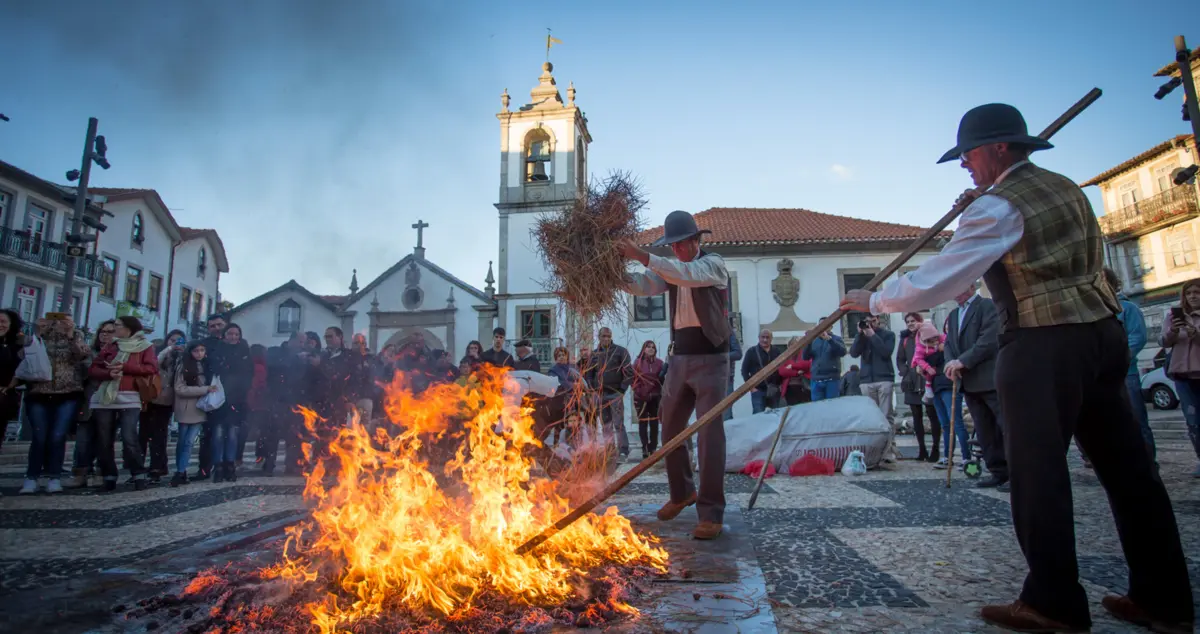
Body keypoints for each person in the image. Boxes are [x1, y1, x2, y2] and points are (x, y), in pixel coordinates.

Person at [840, 103, 1191, 632]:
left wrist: (873, 300)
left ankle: (1053, 602)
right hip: (1101, 333)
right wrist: (976, 207)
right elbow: (1003, 260)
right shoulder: (1064, 187)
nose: (964, 165)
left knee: (1037, 473)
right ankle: (1164, 600)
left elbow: (942, 278)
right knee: (1129, 471)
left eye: (969, 154)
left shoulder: (998, 205)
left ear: (1000, 147)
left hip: (1042, 342)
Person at [619, 209, 730, 540]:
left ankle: (711, 512)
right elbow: (643, 285)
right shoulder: (671, 270)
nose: (678, 251)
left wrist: (641, 255)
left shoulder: (713, 264)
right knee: (669, 426)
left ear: (697, 240)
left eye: (683, 244)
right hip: (680, 356)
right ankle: (682, 492)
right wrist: (607, 275)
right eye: (674, 246)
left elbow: (687, 274)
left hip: (712, 356)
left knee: (709, 434)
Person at [944, 283, 1007, 488]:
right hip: (968, 382)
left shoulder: (986, 306)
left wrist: (963, 361)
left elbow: (989, 339)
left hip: (989, 378)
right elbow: (949, 344)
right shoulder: (953, 315)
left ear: (971, 286)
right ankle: (998, 470)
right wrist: (950, 363)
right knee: (985, 431)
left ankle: (1018, 473)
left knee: (1005, 427)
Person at [88, 316, 159, 492]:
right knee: (104, 438)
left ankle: (138, 473)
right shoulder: (111, 346)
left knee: (129, 436)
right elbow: (93, 369)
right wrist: (108, 373)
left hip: (130, 394)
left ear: (129, 328)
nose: (114, 329)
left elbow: (151, 368)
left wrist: (125, 368)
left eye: (118, 326)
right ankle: (109, 474)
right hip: (106, 396)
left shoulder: (145, 346)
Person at [20, 315, 89, 495]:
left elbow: (82, 356)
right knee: (39, 436)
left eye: (64, 320)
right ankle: (31, 477)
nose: (58, 323)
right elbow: (22, 355)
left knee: (58, 436)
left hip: (68, 392)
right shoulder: (39, 335)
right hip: (39, 392)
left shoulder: (77, 336)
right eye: (55, 319)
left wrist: (70, 334)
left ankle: (54, 477)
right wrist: (38, 334)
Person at [1101, 267, 1154, 468]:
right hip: (1102, 375)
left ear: (1113, 283)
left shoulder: (1128, 308)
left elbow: (1137, 338)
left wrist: (1116, 360)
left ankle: (1148, 462)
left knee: (1137, 420)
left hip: (1126, 373)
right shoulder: (1097, 310)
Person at [1161, 278, 1200, 478]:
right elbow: (1164, 342)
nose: (1193, 296)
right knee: (1193, 421)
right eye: (1189, 293)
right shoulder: (1173, 316)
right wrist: (1173, 331)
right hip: (1182, 376)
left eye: (1197, 292)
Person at [848, 313, 897, 462]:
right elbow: (854, 353)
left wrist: (873, 335)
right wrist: (860, 335)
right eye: (867, 321)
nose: (870, 324)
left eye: (873, 320)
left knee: (886, 415)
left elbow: (885, 352)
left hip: (884, 378)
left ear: (879, 320)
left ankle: (889, 450)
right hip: (866, 380)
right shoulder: (863, 337)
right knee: (871, 417)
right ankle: (874, 451)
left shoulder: (888, 334)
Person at [171, 341, 217, 487]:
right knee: (183, 441)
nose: (199, 353)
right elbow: (180, 389)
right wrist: (204, 389)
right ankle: (180, 470)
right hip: (185, 408)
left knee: (189, 442)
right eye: (196, 351)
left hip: (199, 409)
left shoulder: (206, 366)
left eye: (202, 350)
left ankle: (181, 471)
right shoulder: (183, 366)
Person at [143, 329, 186, 482]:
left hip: (167, 400)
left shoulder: (182, 358)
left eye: (179, 341)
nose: (175, 344)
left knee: (159, 434)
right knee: (144, 433)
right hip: (151, 396)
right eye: (172, 340)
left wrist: (182, 354)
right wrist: (169, 349)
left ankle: (158, 466)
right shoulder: (161, 354)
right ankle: (144, 466)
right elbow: (154, 365)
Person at [896, 313, 940, 462]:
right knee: (916, 417)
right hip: (912, 380)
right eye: (907, 321)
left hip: (928, 377)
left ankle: (936, 448)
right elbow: (900, 359)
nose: (910, 323)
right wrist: (905, 372)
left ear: (920, 321)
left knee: (932, 415)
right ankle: (922, 449)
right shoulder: (905, 339)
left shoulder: (928, 334)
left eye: (913, 321)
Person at [631, 340, 664, 457]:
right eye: (648, 347)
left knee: (654, 423)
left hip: (655, 397)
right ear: (644, 349)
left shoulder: (660, 363)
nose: (651, 349)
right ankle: (644, 447)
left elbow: (662, 381)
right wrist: (642, 393)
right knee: (643, 422)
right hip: (641, 398)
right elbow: (633, 381)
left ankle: (653, 447)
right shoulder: (637, 363)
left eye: (653, 347)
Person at [802, 319, 846, 402]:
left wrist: (829, 339)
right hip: (816, 379)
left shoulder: (836, 339)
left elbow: (842, 352)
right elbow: (805, 357)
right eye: (821, 325)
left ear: (831, 327)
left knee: (832, 406)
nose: (823, 328)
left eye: (825, 325)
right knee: (817, 407)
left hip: (832, 379)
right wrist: (808, 341)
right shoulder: (814, 340)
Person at [741, 329, 781, 413]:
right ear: (759, 338)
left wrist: (779, 386)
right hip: (758, 390)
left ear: (771, 339)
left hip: (774, 389)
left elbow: (781, 369)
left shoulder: (776, 351)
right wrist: (751, 388)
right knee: (758, 416)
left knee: (775, 416)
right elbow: (744, 371)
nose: (765, 340)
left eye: (767, 337)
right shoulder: (751, 351)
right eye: (763, 337)